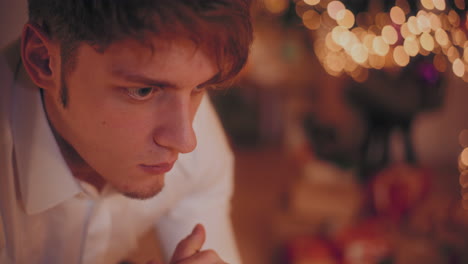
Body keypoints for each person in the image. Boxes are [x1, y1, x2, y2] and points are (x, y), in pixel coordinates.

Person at [0, 1, 253, 263]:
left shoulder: (193, 131)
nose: (186, 141)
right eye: (143, 91)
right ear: (43, 60)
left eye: (200, 87)